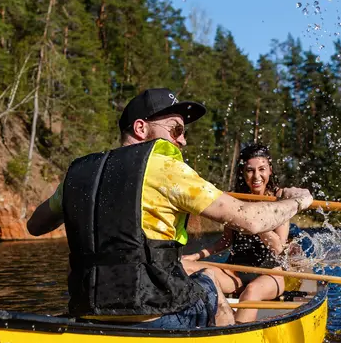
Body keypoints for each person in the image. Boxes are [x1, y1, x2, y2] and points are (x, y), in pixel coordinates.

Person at [27, 88, 313, 329]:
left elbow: (36, 226)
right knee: (208, 287)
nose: (183, 140)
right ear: (141, 128)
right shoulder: (167, 168)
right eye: (176, 129)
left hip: (86, 308)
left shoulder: (78, 173)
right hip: (154, 312)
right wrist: (297, 201)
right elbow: (250, 220)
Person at [183, 144, 295, 323]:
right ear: (243, 173)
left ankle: (236, 339)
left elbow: (277, 247)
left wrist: (254, 221)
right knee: (183, 266)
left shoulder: (280, 202)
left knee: (252, 292)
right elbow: (225, 241)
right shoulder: (236, 202)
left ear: (270, 171)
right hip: (236, 272)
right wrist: (195, 256)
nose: (256, 176)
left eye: (262, 169)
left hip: (269, 274)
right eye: (250, 170)